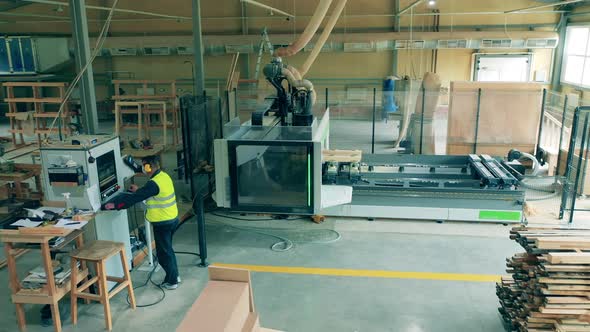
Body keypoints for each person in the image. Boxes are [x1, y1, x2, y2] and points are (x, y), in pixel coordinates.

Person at [103, 155, 180, 290]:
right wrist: (138, 189)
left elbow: (135, 198)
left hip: (163, 222)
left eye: (144, 166)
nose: (143, 169)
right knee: (167, 250)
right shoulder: (163, 176)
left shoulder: (154, 183)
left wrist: (114, 205)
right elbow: (145, 192)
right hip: (172, 219)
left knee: (163, 254)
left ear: (149, 167)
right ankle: (174, 276)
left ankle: (173, 280)